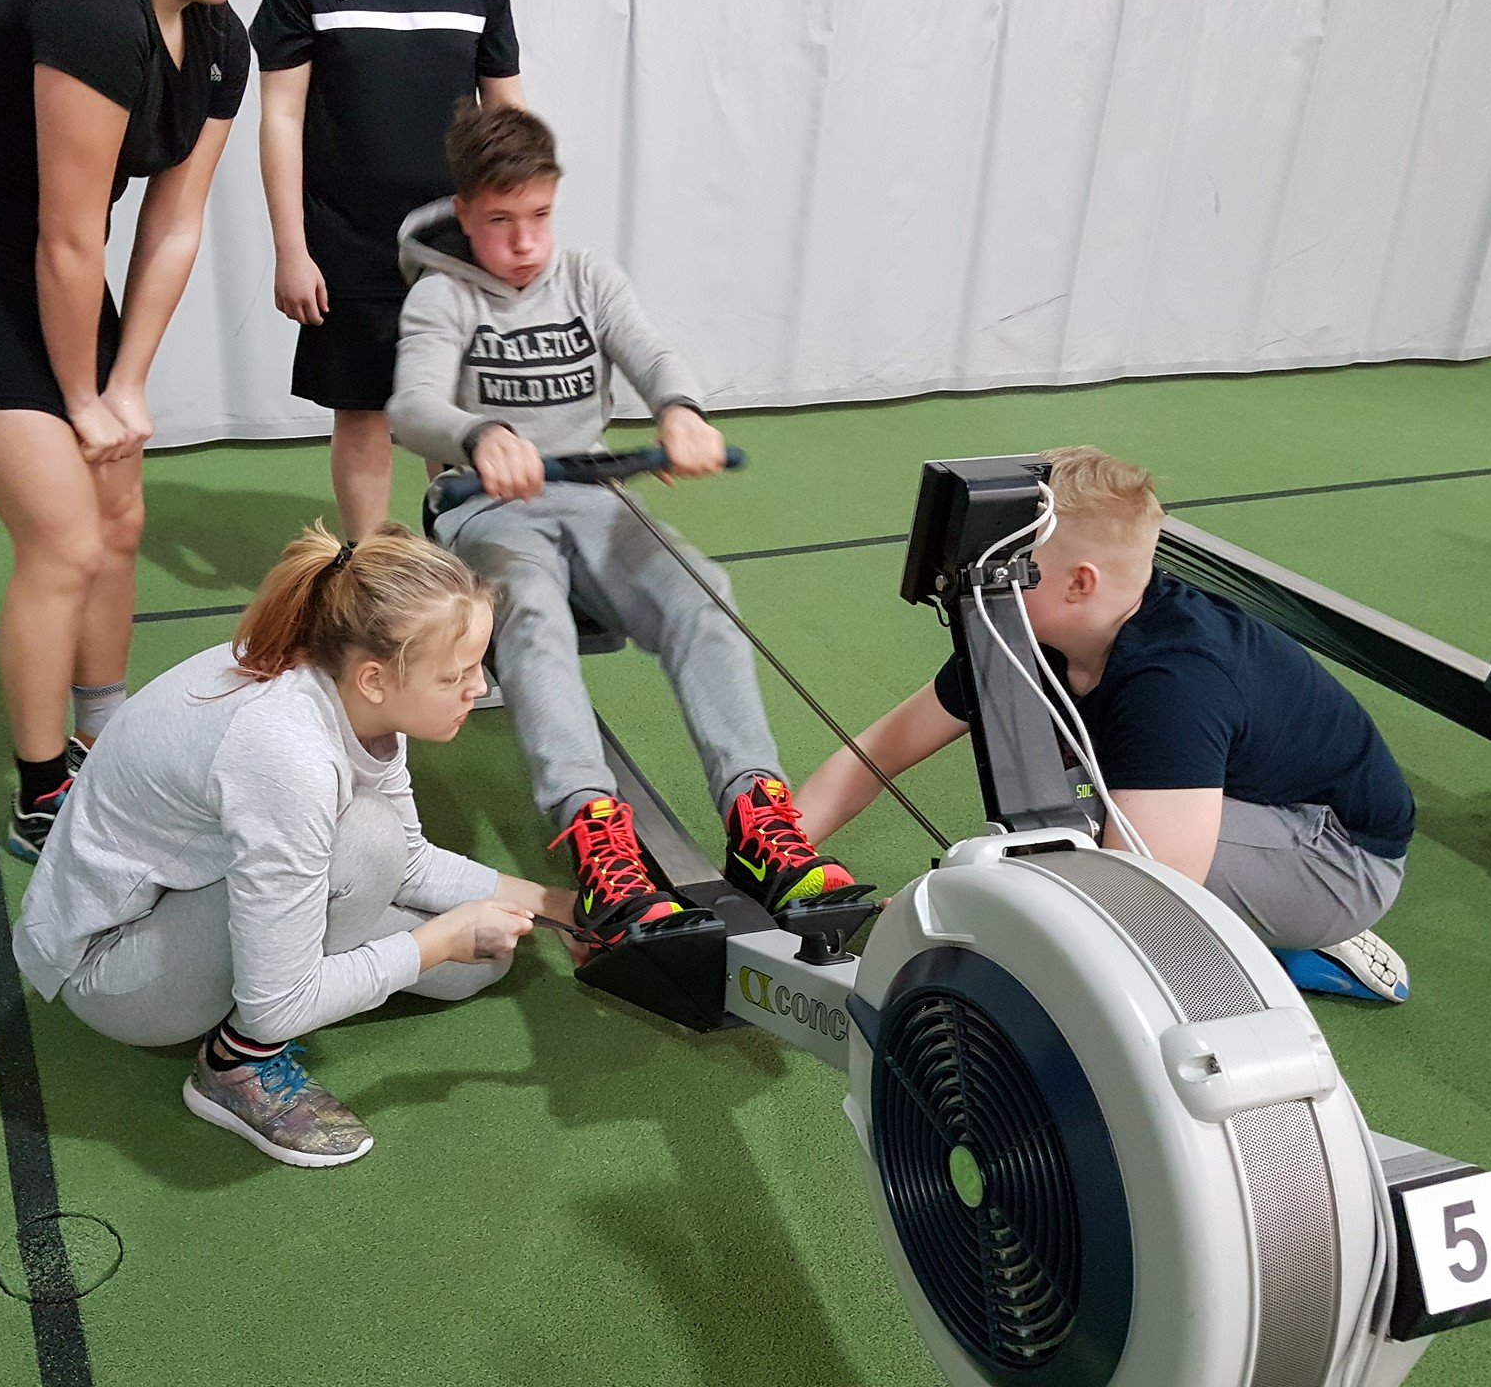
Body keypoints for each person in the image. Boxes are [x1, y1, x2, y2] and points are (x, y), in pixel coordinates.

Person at [387, 104, 859, 947]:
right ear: (463, 213)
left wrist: (679, 410)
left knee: (702, 590)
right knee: (529, 607)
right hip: (487, 508)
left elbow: (650, 352)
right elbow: (411, 406)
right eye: (500, 222)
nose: (524, 242)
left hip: (597, 497)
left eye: (539, 215)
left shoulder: (589, 278)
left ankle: (760, 822)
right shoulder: (441, 296)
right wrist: (480, 435)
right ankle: (597, 841)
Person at [12, 523, 575, 1167]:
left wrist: (557, 906)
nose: (479, 688)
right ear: (374, 678)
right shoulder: (286, 752)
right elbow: (278, 1005)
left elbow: (412, 861)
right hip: (109, 970)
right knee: (370, 843)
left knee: (478, 966)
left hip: (188, 895)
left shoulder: (351, 681)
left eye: (478, 665)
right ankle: (233, 1067)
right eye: (456, 675)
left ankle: (361, 959)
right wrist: (436, 941)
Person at [794, 446, 1416, 1001]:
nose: (981, 577)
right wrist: (779, 856)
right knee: (1050, 812)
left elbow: (1142, 908)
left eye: (1007, 561)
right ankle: (1245, 912)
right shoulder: (1020, 631)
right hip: (1227, 804)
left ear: (1078, 584)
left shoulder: (1172, 680)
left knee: (1070, 845)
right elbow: (877, 753)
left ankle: (1289, 930)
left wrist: (938, 914)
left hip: (1339, 859)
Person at [0, 0, 251, 860]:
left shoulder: (222, 41)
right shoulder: (94, 7)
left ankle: (103, 740)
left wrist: (127, 385)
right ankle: (43, 793)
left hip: (57, 269)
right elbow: (70, 234)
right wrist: (82, 398)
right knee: (65, 539)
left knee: (120, 520)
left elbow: (173, 224)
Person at [251, 0, 524, 538]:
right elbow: (281, 114)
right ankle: (366, 566)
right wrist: (291, 249)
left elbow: (507, 113)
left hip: (457, 243)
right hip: (346, 237)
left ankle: (460, 561)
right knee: (361, 411)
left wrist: (517, 229)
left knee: (459, 406)